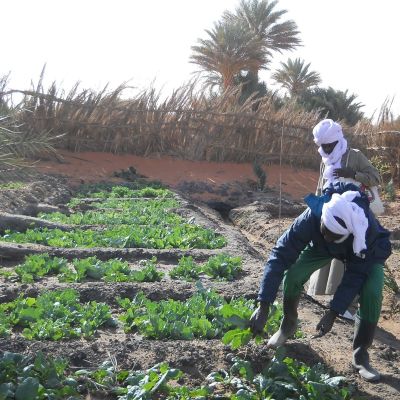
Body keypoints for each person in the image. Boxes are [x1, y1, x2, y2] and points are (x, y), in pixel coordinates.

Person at [249, 184, 391, 382]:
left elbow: (355, 275)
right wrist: (264, 303)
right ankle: (288, 324)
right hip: (321, 248)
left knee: (372, 291)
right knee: (294, 275)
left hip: (363, 251)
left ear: (347, 233)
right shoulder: (312, 217)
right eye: (325, 230)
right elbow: (281, 253)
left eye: (332, 236)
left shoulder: (365, 231)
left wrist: (333, 312)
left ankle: (361, 356)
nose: (327, 236)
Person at [307, 119, 382, 320]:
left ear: (337, 141)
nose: (326, 149)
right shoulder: (326, 160)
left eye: (329, 145)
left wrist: (353, 174)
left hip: (355, 218)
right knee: (333, 258)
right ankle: (333, 297)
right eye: (323, 146)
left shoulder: (354, 156)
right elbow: (321, 186)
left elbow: (375, 177)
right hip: (333, 218)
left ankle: (350, 306)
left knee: (355, 260)